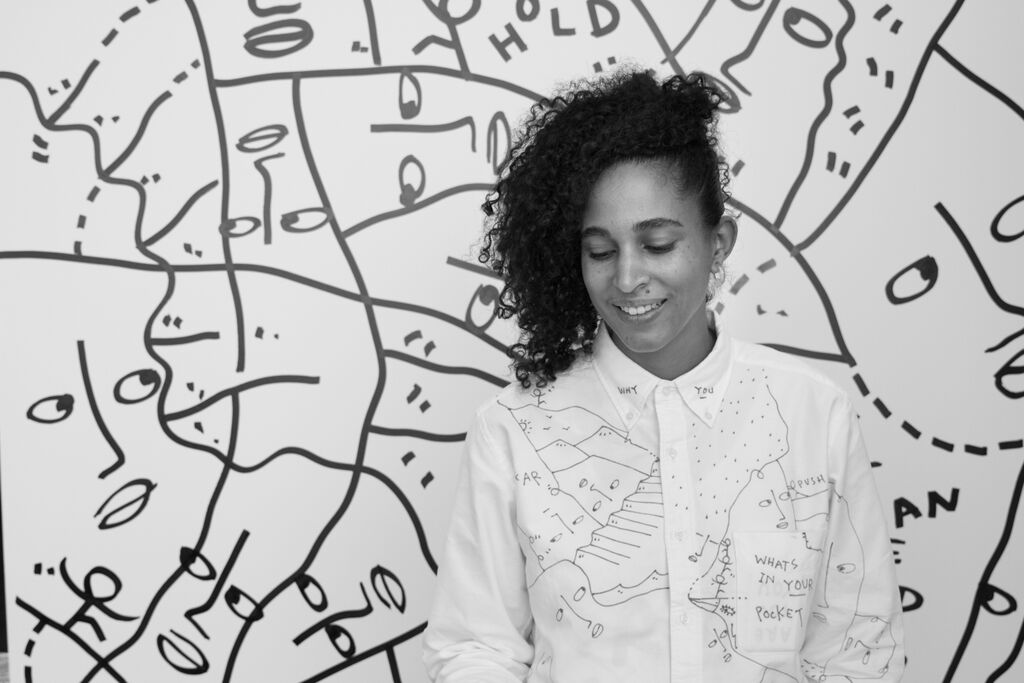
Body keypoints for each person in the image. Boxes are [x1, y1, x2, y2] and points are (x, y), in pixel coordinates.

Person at [423, 68, 904, 682]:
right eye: (600, 251)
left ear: (718, 243)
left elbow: (860, 651)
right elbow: (473, 648)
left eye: (656, 245)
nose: (627, 279)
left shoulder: (816, 415)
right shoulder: (512, 430)